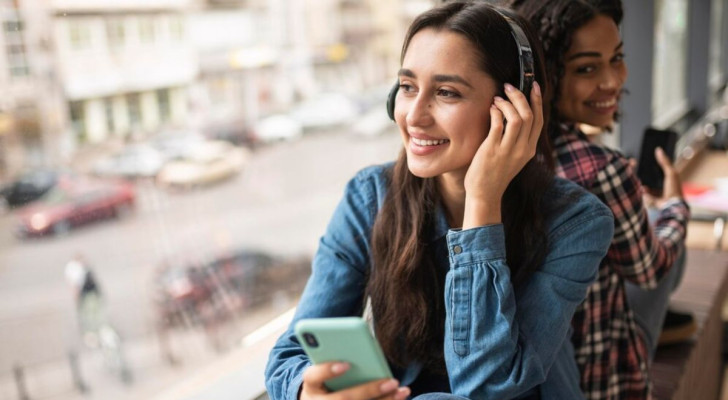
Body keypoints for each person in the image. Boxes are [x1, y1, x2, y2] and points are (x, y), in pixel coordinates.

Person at [265, 1, 614, 399]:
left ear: (515, 107)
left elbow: (486, 387)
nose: (414, 115)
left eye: (446, 92)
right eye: (408, 87)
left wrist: (483, 203)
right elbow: (288, 356)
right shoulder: (369, 198)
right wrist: (305, 391)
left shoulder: (577, 222)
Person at [509, 0, 691, 398]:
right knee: (669, 243)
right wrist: (675, 207)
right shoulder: (603, 169)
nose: (612, 81)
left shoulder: (502, 155)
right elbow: (649, 270)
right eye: (587, 68)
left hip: (532, 371)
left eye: (617, 58)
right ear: (543, 74)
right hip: (596, 377)